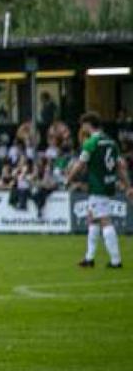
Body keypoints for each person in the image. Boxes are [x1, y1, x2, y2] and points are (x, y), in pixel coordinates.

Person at [69, 112, 127, 269]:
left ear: (88, 124)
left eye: (83, 125)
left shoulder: (92, 142)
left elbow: (80, 164)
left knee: (104, 221)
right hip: (108, 184)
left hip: (97, 186)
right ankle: (89, 258)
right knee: (92, 218)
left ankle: (116, 261)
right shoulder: (111, 142)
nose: (82, 128)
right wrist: (127, 185)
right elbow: (120, 166)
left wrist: (69, 178)